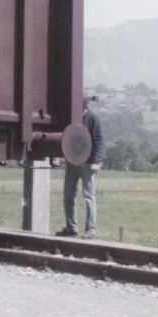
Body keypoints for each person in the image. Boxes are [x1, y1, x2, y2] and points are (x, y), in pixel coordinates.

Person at [57, 94, 106, 239]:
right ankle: (71, 227)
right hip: (73, 162)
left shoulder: (92, 118)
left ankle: (91, 230)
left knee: (89, 196)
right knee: (68, 196)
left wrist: (96, 162)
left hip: (88, 162)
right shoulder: (73, 119)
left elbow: (98, 140)